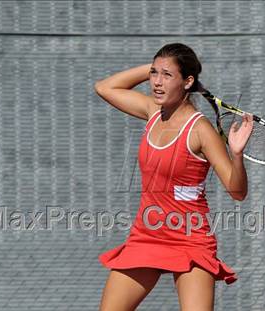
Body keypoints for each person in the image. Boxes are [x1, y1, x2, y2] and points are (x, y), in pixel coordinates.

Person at [94, 43, 253, 311]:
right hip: (147, 235)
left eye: (167, 76)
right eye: (154, 74)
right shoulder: (152, 112)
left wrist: (236, 154)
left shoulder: (201, 130)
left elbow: (237, 192)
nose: (156, 82)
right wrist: (158, 67)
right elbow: (105, 88)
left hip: (190, 238)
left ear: (188, 81)